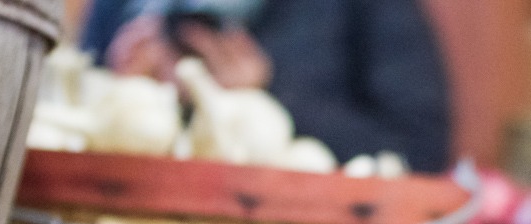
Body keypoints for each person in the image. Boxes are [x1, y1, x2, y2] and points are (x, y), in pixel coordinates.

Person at [82, 0, 453, 172]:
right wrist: (117, 90)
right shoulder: (122, 9)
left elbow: (419, 149)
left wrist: (269, 94)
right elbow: (66, 127)